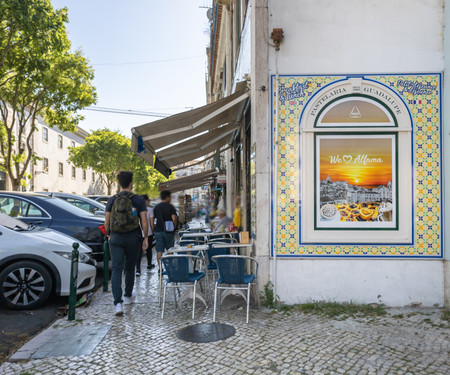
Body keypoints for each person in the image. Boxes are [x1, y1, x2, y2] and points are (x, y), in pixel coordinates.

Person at [104, 171, 148, 316]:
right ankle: (128, 296)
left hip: (116, 237)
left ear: (119, 183)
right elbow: (144, 221)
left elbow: (106, 222)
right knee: (129, 267)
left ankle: (118, 303)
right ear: (131, 183)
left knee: (116, 269)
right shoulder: (138, 200)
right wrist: (145, 238)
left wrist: (109, 234)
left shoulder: (112, 200)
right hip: (133, 237)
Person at [151, 190, 177, 267]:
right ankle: (170, 267)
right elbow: (174, 218)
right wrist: (174, 227)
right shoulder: (170, 207)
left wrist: (153, 230)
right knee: (170, 249)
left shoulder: (156, 207)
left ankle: (160, 268)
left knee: (159, 250)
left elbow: (152, 220)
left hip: (158, 231)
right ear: (167, 197)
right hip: (168, 231)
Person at [135, 194, 155, 276]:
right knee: (148, 249)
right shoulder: (150, 210)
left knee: (138, 251)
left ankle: (138, 269)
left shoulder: (136, 209)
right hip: (148, 232)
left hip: (138, 233)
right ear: (146, 201)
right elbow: (151, 223)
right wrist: (153, 231)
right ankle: (149, 265)